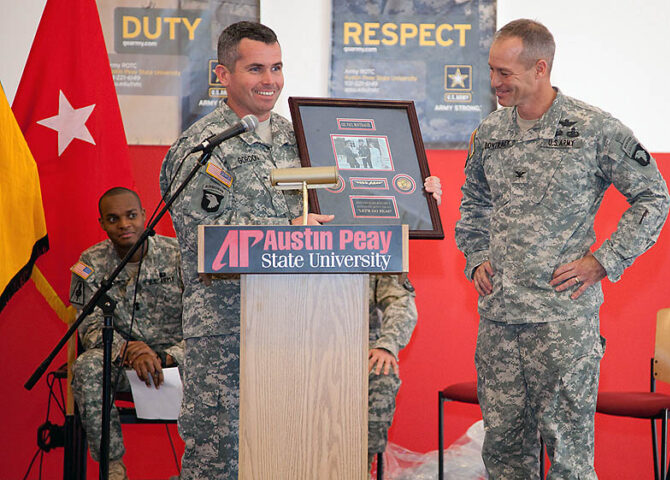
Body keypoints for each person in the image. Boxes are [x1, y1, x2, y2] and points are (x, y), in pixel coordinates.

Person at [160, 21, 442, 479]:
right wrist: (286, 228)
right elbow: (203, 239)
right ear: (223, 73)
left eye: (276, 67)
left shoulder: (303, 138)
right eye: (255, 68)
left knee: (297, 453)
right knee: (222, 462)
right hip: (228, 334)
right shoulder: (203, 147)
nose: (270, 80)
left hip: (304, 333)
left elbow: (348, 206)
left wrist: (413, 196)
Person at [455, 19, 670, 479]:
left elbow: (654, 196)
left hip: (562, 323)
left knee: (569, 459)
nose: (495, 83)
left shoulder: (594, 129)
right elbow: (472, 203)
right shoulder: (490, 132)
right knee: (505, 457)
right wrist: (475, 257)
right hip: (499, 322)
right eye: (492, 71)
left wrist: (604, 260)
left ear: (540, 67)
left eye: (505, 74)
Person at [69, 187, 184, 480]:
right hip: (124, 365)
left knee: (223, 361)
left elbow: (203, 322)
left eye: (131, 215)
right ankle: (112, 468)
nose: (124, 225)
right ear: (102, 223)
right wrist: (129, 350)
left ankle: (203, 471)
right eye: (113, 218)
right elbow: (89, 326)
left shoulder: (179, 255)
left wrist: (166, 355)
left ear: (144, 216)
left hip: (178, 365)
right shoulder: (89, 263)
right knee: (87, 366)